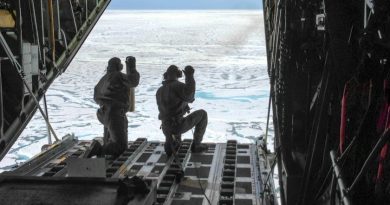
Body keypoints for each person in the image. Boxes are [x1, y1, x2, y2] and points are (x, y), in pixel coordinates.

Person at [91, 56, 140, 157]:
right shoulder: (117, 75)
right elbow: (133, 81)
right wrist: (132, 67)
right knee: (120, 146)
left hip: (103, 113)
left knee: (113, 141)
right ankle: (98, 149)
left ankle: (105, 152)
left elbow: (96, 97)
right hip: (114, 114)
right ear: (118, 66)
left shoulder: (103, 79)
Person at [156, 65, 208, 157]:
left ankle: (171, 142)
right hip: (177, 125)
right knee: (203, 114)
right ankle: (197, 145)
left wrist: (183, 106)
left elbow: (169, 106)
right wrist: (189, 77)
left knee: (173, 147)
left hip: (166, 127)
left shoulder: (160, 90)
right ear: (178, 75)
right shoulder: (177, 86)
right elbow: (190, 96)